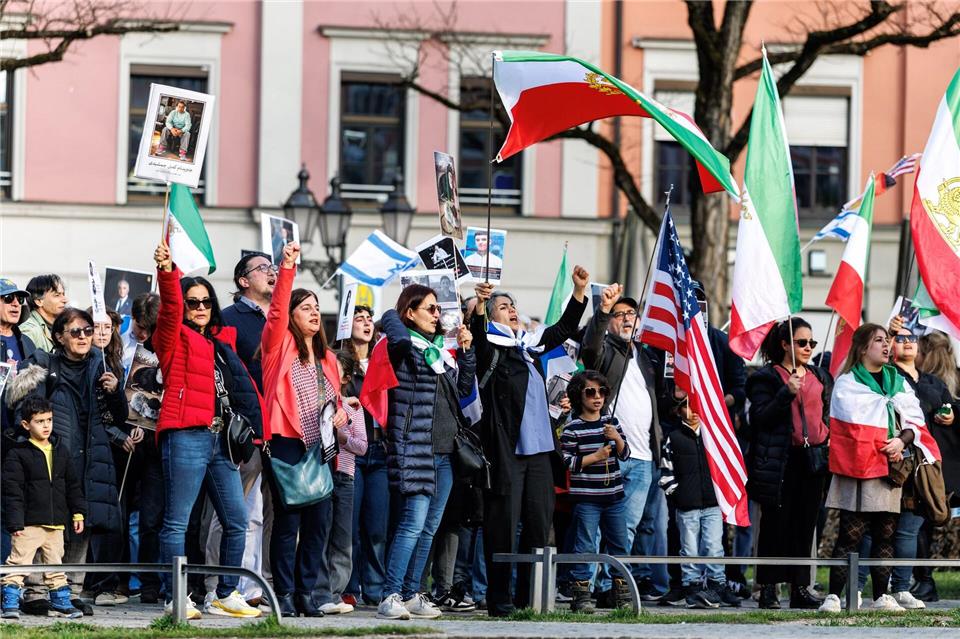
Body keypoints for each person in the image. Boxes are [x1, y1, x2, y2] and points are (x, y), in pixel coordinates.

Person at [151, 240, 264, 621]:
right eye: (193, 302)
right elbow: (168, 308)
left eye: (205, 302)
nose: (200, 308)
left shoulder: (219, 343)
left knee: (236, 519)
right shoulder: (171, 337)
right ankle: (175, 598)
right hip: (185, 434)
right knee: (177, 521)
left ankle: (225, 594)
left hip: (220, 440)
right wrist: (168, 272)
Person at [471, 266, 589, 617]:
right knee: (502, 526)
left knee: (539, 524)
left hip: (539, 454)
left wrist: (579, 290)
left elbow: (564, 330)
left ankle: (529, 598)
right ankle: (499, 598)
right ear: (493, 317)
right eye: (504, 306)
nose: (512, 310)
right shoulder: (492, 351)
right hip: (506, 453)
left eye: (513, 306)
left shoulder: (529, 348)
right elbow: (477, 339)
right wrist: (479, 306)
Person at [5, 307, 126, 616]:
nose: (84, 336)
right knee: (43, 526)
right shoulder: (45, 366)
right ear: (59, 337)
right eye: (76, 332)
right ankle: (34, 592)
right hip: (51, 462)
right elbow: (23, 413)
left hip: (92, 459)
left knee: (80, 523)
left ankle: (69, 591)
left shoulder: (102, 367)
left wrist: (115, 393)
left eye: (88, 331)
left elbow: (119, 418)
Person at [818, 323, 940, 613]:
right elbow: (848, 426)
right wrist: (883, 441)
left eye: (888, 340)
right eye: (879, 340)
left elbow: (914, 419)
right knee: (851, 534)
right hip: (857, 467)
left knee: (886, 532)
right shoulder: (848, 382)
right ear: (862, 348)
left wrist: (901, 440)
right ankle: (835, 596)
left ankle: (880, 596)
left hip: (890, 465)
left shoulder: (896, 379)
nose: (887, 345)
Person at [376, 284, 476, 621]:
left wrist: (466, 352)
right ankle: (389, 594)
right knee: (411, 525)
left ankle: (410, 592)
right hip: (415, 449)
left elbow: (462, 391)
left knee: (429, 529)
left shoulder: (437, 353)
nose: (438, 315)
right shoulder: (404, 347)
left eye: (437, 309)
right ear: (410, 312)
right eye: (430, 308)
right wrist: (394, 312)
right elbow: (392, 326)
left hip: (444, 453)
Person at [260, 242, 347, 618]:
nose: (314, 313)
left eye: (316, 307)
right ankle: (285, 593)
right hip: (286, 444)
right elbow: (277, 309)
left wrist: (342, 413)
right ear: (292, 316)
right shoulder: (278, 347)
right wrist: (288, 267)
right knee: (288, 522)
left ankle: (308, 592)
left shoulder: (329, 359)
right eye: (306, 308)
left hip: (321, 448)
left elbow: (334, 402)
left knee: (319, 525)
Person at [579, 284, 664, 603]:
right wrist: (602, 311)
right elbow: (590, 348)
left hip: (642, 458)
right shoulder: (605, 352)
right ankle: (585, 589)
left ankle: (613, 589)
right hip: (608, 455)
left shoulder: (646, 356)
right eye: (620, 314)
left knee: (624, 529)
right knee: (594, 528)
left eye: (632, 313)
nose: (627, 319)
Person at [746, 318, 831, 609]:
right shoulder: (766, 377)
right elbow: (759, 418)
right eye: (802, 342)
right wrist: (787, 393)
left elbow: (827, 411)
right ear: (785, 345)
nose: (808, 348)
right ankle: (768, 588)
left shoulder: (819, 374)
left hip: (813, 459)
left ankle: (800, 588)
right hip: (781, 460)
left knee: (805, 525)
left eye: (811, 343)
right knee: (775, 525)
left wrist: (827, 433)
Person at [2, 398, 86, 620]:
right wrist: (15, 522)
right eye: (39, 421)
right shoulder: (17, 454)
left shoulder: (61, 451)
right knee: (18, 564)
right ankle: (9, 602)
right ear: (26, 425)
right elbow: (13, 491)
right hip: (28, 523)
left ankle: (61, 602)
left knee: (55, 567)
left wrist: (78, 512)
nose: (46, 425)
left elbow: (73, 486)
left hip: (56, 522)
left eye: (49, 420)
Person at [84, 308, 143, 606]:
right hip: (99, 448)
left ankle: (105, 582)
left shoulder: (116, 362)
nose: (103, 332)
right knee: (101, 518)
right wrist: (119, 436)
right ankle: (95, 583)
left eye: (108, 326)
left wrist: (135, 429)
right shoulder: (87, 362)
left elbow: (122, 412)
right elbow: (92, 416)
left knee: (116, 516)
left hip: (120, 452)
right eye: (96, 326)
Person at [560, 370, 632, 612]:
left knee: (620, 544)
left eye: (602, 392)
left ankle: (621, 593)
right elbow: (568, 463)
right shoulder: (573, 428)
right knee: (585, 545)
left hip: (614, 497)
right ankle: (580, 595)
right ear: (579, 396)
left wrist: (617, 439)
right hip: (587, 499)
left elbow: (625, 454)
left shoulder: (612, 423)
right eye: (590, 392)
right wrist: (596, 456)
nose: (597, 397)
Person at [658, 398, 738, 609]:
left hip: (712, 504)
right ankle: (691, 586)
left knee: (714, 546)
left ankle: (717, 585)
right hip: (687, 507)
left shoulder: (712, 437)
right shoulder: (673, 438)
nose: (693, 411)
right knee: (689, 548)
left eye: (697, 405)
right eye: (687, 406)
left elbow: (724, 467)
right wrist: (678, 495)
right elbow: (666, 473)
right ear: (678, 411)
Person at [342, 305, 389, 607]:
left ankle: (374, 589)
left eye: (369, 319)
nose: (366, 323)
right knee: (350, 525)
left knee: (376, 527)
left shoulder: (382, 362)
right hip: (352, 451)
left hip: (379, 452)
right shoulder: (339, 362)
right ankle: (348, 586)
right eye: (359, 318)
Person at [913, 330, 960, 600]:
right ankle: (924, 580)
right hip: (945, 469)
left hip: (938, 469)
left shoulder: (926, 386)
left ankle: (925, 580)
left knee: (921, 523)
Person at [326, 351, 368, 613]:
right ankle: (316, 588)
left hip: (344, 476)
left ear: (346, 378)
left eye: (335, 369)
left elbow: (362, 446)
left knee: (342, 537)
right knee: (319, 534)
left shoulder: (353, 406)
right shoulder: (319, 400)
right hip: (321, 474)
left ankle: (335, 592)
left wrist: (342, 438)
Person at [221, 252, 276, 391]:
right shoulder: (227, 318)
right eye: (263, 268)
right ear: (244, 281)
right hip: (253, 407)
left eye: (273, 268)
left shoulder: (287, 316)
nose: (272, 273)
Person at [1, 279, 36, 436]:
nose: (16, 304)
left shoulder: (27, 342)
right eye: (8, 298)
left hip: (20, 434)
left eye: (20, 299)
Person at [20, 274, 68, 353]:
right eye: (57, 295)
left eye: (63, 294)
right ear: (38, 301)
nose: (65, 300)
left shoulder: (61, 328)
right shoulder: (29, 332)